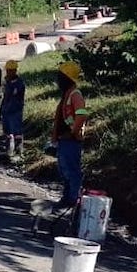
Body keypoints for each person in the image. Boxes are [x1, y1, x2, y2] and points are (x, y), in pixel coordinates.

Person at [50, 59, 90, 207]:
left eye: (60, 77)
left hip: (72, 141)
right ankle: (67, 199)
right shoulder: (67, 94)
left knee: (72, 172)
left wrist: (73, 132)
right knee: (64, 171)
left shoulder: (75, 94)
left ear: (67, 78)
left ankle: (73, 201)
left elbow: (82, 115)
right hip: (64, 140)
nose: (58, 80)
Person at [0, 59, 26, 158]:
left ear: (14, 71)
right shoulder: (8, 82)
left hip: (15, 111)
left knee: (16, 131)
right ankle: (9, 151)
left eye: (11, 70)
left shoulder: (19, 84)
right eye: (8, 70)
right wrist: (1, 110)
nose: (9, 72)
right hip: (7, 110)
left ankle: (19, 151)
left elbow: (14, 97)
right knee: (8, 132)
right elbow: (5, 97)